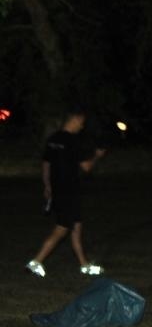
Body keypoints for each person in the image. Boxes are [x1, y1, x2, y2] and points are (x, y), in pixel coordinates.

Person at [27, 106, 108, 277]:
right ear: (75, 120)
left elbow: (46, 164)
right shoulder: (73, 141)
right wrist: (97, 156)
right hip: (69, 190)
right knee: (63, 227)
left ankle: (84, 265)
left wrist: (47, 185)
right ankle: (36, 261)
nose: (82, 127)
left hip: (60, 189)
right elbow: (86, 167)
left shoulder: (53, 139)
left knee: (76, 227)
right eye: (82, 123)